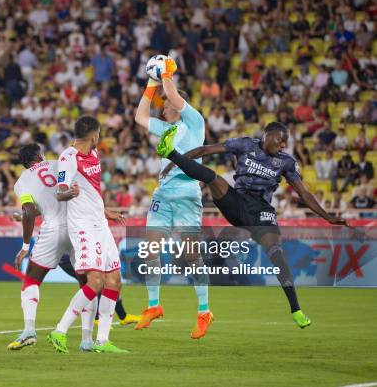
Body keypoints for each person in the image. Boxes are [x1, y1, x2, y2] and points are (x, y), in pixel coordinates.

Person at [155, 120, 349, 328]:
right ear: (269, 134)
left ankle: (296, 310)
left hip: (261, 213)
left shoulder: (286, 162)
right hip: (237, 203)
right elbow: (205, 149)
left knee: (276, 252)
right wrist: (173, 162)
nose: (283, 145)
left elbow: (304, 193)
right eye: (282, 140)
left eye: (285, 143)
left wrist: (327, 216)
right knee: (214, 179)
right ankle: (171, 152)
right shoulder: (245, 144)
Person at [133, 57, 213, 338]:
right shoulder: (166, 129)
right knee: (150, 249)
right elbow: (140, 117)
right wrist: (151, 83)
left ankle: (204, 311)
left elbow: (174, 97)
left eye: (166, 105)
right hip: (163, 195)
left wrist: (165, 74)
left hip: (187, 193)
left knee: (191, 255)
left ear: (178, 105)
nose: (163, 109)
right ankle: (153, 305)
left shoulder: (195, 123)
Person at [47, 116, 127, 354]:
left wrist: (105, 211)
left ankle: (102, 341)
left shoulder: (93, 155)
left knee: (114, 280)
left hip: (100, 223)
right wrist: (68, 193)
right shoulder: (68, 158)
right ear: (94, 135)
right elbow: (59, 194)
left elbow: (91, 192)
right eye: (99, 134)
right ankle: (59, 331)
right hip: (82, 226)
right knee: (95, 281)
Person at [6, 143, 79, 350]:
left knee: (31, 280)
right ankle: (89, 339)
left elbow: (29, 211)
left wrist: (25, 246)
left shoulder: (22, 181)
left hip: (53, 230)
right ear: (39, 155)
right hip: (77, 225)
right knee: (86, 283)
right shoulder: (58, 164)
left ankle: (29, 331)